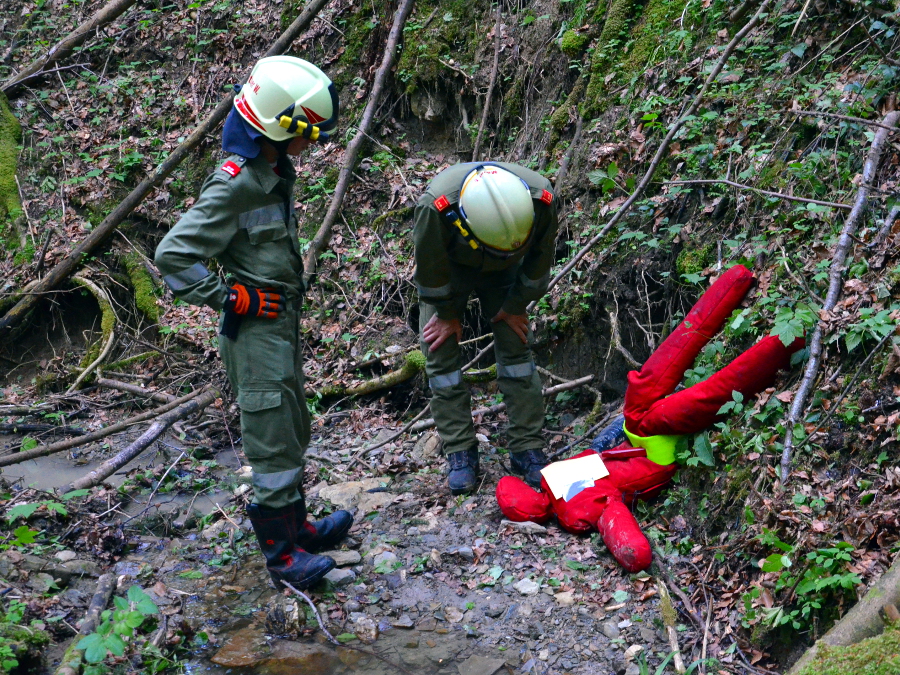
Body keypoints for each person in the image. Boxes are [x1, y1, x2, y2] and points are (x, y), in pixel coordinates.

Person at [155, 56, 352, 590]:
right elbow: (173, 254)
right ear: (276, 128)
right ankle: (282, 557)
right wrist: (229, 297)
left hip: (280, 325)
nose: (311, 143)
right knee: (269, 436)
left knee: (290, 425)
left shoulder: (273, 172)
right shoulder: (235, 185)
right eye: (307, 132)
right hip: (255, 331)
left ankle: (297, 529)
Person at [496, 265, 805, 572]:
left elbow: (597, 457)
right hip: (654, 453)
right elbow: (622, 530)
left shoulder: (552, 482)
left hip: (634, 433)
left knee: (668, 376)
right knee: (696, 388)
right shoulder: (574, 506)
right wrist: (632, 552)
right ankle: (782, 332)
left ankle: (745, 294)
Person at [413, 162, 559, 495]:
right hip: (451, 267)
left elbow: (539, 260)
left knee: (517, 346)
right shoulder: (436, 207)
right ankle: (460, 451)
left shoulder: (541, 198)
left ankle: (527, 447)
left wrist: (516, 304)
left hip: (507, 266)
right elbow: (430, 270)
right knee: (439, 352)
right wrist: (447, 313)